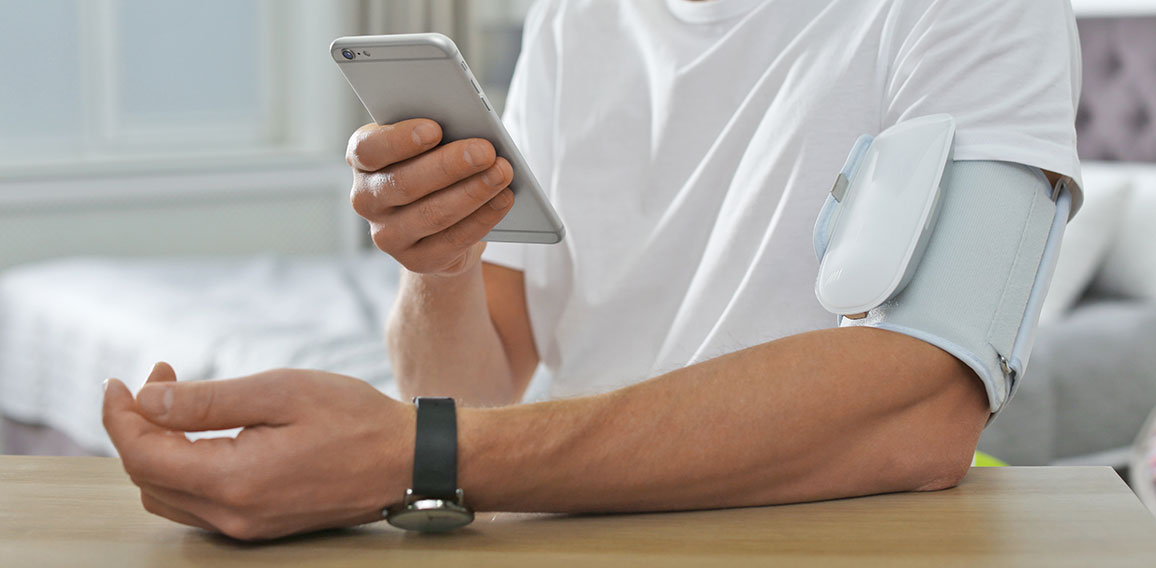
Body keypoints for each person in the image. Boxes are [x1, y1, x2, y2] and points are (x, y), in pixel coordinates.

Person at [102, 0, 1082, 540]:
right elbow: (470, 390)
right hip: (570, 530)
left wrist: (424, 457)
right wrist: (442, 268)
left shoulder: (980, 13)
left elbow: (921, 408)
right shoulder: (577, 23)